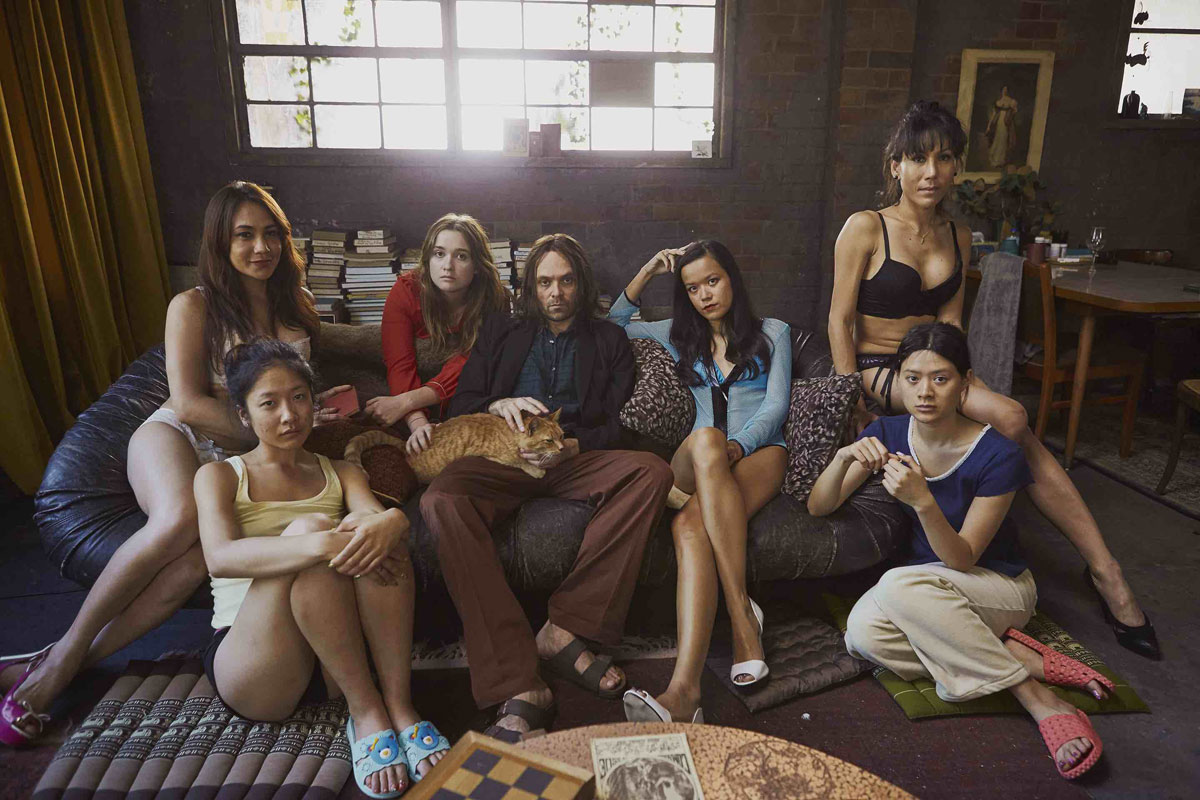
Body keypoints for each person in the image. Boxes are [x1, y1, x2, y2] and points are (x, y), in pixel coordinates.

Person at [0, 181, 352, 747]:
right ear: (220, 242)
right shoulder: (192, 306)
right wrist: (269, 426)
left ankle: (58, 663)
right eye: (244, 235)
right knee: (179, 519)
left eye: (271, 235)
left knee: (192, 566)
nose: (261, 248)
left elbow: (289, 382)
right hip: (178, 435)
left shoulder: (299, 305)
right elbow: (187, 402)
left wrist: (314, 410)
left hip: (241, 454)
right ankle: (63, 658)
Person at [828, 100, 1158, 659]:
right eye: (917, 159)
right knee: (1011, 415)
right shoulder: (866, 227)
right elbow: (838, 320)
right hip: (877, 367)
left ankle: (1105, 569)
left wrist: (964, 382)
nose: (931, 172)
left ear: (956, 167)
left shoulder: (958, 234)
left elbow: (952, 323)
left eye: (944, 159)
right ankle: (1106, 574)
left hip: (939, 363)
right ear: (895, 166)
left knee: (1013, 425)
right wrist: (848, 399)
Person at [808, 322, 1110, 781]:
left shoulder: (998, 454)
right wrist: (844, 457)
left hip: (997, 586)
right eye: (912, 378)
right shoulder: (889, 432)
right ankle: (1014, 658)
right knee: (864, 636)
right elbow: (819, 506)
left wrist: (923, 501)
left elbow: (963, 559)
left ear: (965, 383)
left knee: (895, 586)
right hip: (923, 591)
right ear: (897, 380)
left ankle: (1037, 699)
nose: (925, 392)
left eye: (940, 378)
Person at [418, 233, 674, 742]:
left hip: (571, 455)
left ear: (581, 283)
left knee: (650, 472)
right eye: (544, 283)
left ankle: (564, 630)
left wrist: (575, 446)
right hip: (504, 457)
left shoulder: (610, 341)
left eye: (565, 281)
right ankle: (518, 681)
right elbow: (464, 401)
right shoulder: (502, 332)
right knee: (441, 499)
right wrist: (496, 404)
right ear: (530, 288)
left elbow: (619, 426)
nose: (555, 293)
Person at [194, 338, 448, 798]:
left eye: (299, 398)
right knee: (316, 533)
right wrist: (317, 540)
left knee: (374, 536)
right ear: (244, 414)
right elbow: (221, 557)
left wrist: (392, 521)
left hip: (335, 657)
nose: (289, 415)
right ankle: (365, 710)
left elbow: (373, 520)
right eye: (269, 403)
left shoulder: (341, 472)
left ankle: (397, 704)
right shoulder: (220, 476)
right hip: (256, 665)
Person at [609, 240, 792, 724]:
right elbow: (612, 326)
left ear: (732, 278)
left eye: (712, 281)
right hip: (698, 457)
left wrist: (741, 445)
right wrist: (647, 271)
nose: (705, 295)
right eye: (692, 288)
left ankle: (683, 692)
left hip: (760, 454)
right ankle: (742, 615)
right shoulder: (678, 336)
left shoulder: (774, 332)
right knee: (708, 438)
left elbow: (776, 408)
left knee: (688, 527)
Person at [367, 213, 509, 454]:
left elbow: (472, 363)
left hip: (468, 399)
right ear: (428, 259)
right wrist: (418, 423)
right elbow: (400, 365)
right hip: (406, 393)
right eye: (439, 254)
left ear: (477, 265)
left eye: (461, 256)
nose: (447, 266)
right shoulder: (405, 292)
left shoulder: (496, 298)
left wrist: (406, 401)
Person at [985, 86, 1019, 169]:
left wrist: (1010, 115)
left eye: (1006, 90)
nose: (1005, 91)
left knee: (1003, 139)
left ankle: (1001, 160)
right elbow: (993, 114)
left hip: (1006, 122)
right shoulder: (998, 101)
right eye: (1004, 89)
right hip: (998, 122)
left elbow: (1015, 111)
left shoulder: (1011, 101)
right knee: (997, 138)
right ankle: (995, 159)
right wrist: (989, 126)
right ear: (1001, 91)